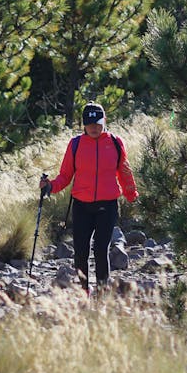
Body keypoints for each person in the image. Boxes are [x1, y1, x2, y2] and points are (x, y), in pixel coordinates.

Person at [40, 103, 137, 295]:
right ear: (83, 124)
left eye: (97, 122)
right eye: (89, 123)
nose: (94, 127)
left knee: (101, 249)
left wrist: (131, 194)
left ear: (104, 121)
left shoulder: (115, 142)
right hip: (82, 206)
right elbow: (65, 176)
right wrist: (50, 186)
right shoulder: (75, 144)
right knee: (80, 252)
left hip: (107, 205)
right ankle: (85, 291)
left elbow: (124, 171)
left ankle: (101, 292)